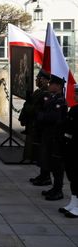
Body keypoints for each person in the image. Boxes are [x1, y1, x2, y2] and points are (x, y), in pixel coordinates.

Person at [38, 74, 68, 201]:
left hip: (56, 136)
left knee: (57, 165)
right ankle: (54, 188)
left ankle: (58, 190)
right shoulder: (52, 98)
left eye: (52, 84)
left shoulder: (60, 101)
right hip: (49, 134)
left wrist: (42, 116)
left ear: (58, 86)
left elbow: (54, 118)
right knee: (50, 161)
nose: (49, 86)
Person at [20, 70, 51, 170]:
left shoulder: (45, 92)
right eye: (37, 79)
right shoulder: (39, 91)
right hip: (32, 121)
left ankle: (32, 158)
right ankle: (29, 157)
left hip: (36, 122)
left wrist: (28, 106)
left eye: (39, 79)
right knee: (30, 140)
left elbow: (35, 108)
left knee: (34, 141)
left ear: (45, 80)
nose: (37, 81)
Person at [60, 84, 78, 217]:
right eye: (75, 93)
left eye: (77, 94)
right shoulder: (74, 109)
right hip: (71, 147)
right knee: (72, 176)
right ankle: (73, 202)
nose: (75, 96)